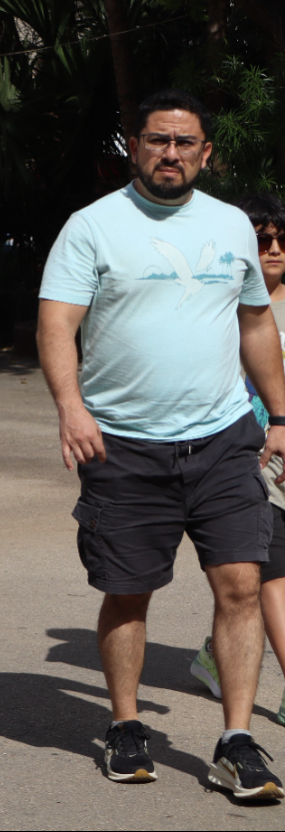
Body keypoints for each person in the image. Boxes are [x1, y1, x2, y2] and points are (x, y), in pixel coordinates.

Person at [38, 89, 285, 799]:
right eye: (157, 141)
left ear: (206, 151)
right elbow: (58, 322)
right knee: (127, 589)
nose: (170, 153)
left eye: (184, 143)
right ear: (135, 145)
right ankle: (125, 722)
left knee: (241, 585)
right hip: (123, 445)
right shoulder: (93, 226)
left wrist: (279, 412)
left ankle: (237, 740)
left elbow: (256, 323)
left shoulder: (234, 225)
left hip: (221, 440)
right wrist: (70, 408)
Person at [189, 192, 285, 729]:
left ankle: (213, 653)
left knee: (243, 582)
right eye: (261, 239)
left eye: (282, 239)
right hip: (243, 456)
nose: (273, 249)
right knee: (271, 575)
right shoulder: (222, 306)